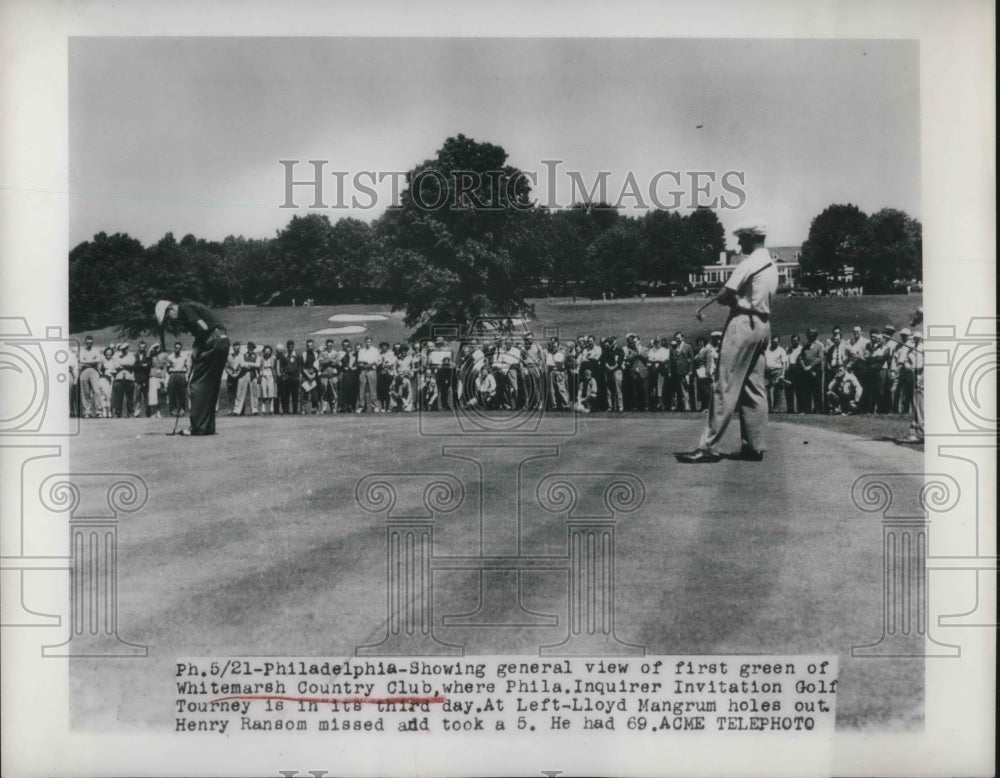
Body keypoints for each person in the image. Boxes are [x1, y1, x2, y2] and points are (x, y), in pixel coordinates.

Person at [678, 219, 778, 463]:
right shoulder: (771, 264)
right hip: (763, 326)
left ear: (752, 238)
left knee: (724, 384)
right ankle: (754, 447)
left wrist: (730, 301)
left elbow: (725, 293)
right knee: (754, 387)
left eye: (742, 238)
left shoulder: (750, 262)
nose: (739, 242)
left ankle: (708, 447)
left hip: (743, 323)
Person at [156, 300, 230, 436]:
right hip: (223, 341)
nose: (171, 321)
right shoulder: (188, 309)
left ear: (170, 308)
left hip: (212, 342)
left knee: (197, 385)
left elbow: (203, 327)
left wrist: (197, 348)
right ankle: (207, 427)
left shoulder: (184, 307)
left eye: (168, 317)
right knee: (211, 386)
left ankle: (197, 427)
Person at [797, 328, 826, 413]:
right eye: (809, 336)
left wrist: (811, 367)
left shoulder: (819, 345)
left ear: (815, 336)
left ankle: (818, 409)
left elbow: (820, 358)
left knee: (816, 390)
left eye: (812, 336)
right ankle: (807, 409)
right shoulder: (805, 346)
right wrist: (804, 367)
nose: (810, 337)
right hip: (807, 371)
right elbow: (801, 358)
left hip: (816, 371)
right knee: (807, 390)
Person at [78, 334, 103, 418]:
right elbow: (81, 360)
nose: (89, 344)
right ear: (85, 342)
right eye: (88, 343)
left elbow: (98, 360)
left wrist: (87, 362)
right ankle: (87, 411)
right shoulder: (82, 350)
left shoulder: (96, 350)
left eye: (91, 343)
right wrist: (91, 361)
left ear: (92, 343)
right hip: (84, 371)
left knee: (96, 391)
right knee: (85, 392)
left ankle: (98, 411)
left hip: (94, 371)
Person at [763, 336, 788, 412]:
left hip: (777, 371)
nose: (774, 343)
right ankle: (768, 408)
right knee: (765, 389)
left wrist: (782, 374)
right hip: (767, 372)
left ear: (778, 342)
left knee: (777, 390)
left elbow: (784, 363)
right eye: (773, 342)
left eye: (776, 342)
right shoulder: (767, 349)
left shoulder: (781, 350)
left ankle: (775, 408)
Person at [110, 342, 136, 418]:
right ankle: (118, 413)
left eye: (125, 349)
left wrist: (122, 365)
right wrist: (124, 365)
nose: (123, 351)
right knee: (119, 397)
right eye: (122, 350)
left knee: (129, 397)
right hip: (119, 378)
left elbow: (131, 364)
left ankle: (130, 412)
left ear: (128, 349)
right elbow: (116, 365)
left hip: (129, 378)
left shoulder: (131, 356)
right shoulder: (117, 356)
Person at [165, 341, 190, 418]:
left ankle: (182, 409)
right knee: (172, 393)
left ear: (181, 349)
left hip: (181, 374)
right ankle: (173, 410)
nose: (177, 350)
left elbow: (188, 367)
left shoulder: (184, 356)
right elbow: (167, 368)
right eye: (176, 348)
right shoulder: (170, 357)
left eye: (179, 348)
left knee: (182, 393)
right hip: (173, 375)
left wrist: (186, 377)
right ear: (174, 348)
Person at [356, 336, 380, 413]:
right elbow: (360, 362)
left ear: (371, 342)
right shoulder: (361, 351)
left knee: (372, 389)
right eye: (367, 341)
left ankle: (375, 406)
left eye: (369, 341)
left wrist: (370, 364)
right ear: (365, 342)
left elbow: (376, 362)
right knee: (361, 390)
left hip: (372, 371)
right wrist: (367, 364)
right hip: (363, 371)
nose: (368, 343)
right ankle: (360, 406)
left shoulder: (375, 350)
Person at [601, 335, 624, 412]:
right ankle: (611, 406)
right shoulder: (607, 350)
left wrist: (613, 368)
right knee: (609, 390)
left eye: (611, 341)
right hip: (608, 371)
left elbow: (619, 361)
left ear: (615, 341)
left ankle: (620, 406)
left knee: (618, 389)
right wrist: (608, 368)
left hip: (617, 371)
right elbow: (604, 360)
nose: (610, 343)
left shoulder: (619, 349)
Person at [277, 339, 301, 415]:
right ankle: (286, 410)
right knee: (286, 394)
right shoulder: (284, 356)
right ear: (287, 347)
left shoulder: (297, 355)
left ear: (293, 347)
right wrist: (283, 374)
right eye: (289, 347)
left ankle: (295, 410)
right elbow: (281, 366)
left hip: (295, 377)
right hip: (287, 377)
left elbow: (300, 366)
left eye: (292, 346)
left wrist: (298, 374)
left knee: (295, 394)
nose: (291, 348)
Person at [132, 341, 151, 418]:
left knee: (147, 396)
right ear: (138, 347)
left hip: (145, 379)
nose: (142, 348)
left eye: (143, 347)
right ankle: (137, 412)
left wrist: (141, 366)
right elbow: (134, 366)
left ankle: (148, 412)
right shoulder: (135, 355)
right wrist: (142, 365)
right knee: (137, 396)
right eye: (140, 347)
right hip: (137, 379)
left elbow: (148, 366)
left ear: (145, 348)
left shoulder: (147, 356)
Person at [259, 344, 277, 415]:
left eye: (268, 351)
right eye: (266, 351)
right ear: (264, 351)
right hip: (263, 374)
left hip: (271, 374)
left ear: (270, 352)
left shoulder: (273, 358)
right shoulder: (262, 358)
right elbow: (260, 367)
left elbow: (274, 367)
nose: (267, 352)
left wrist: (275, 376)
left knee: (271, 391)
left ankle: (271, 409)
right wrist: (260, 375)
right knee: (264, 391)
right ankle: (263, 410)